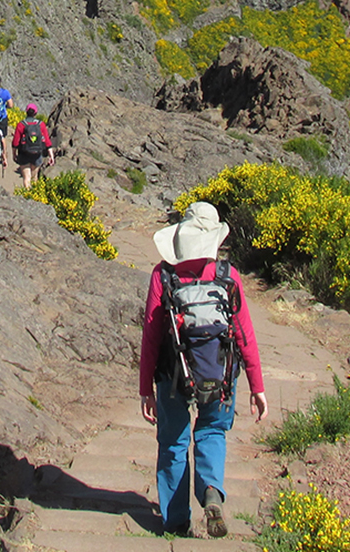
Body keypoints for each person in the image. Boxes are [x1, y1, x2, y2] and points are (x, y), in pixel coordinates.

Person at [139, 201, 267, 539]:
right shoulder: (227, 276)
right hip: (220, 372)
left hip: (172, 374)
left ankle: (176, 520)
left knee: (173, 442)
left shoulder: (163, 275)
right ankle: (211, 491)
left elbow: (151, 337)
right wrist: (257, 385)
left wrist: (144, 389)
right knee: (211, 431)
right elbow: (244, 335)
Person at [11, 103, 53, 187]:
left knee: (27, 178)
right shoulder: (41, 125)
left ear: (26, 112)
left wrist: (14, 154)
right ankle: (34, 196)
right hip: (37, 154)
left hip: (24, 153)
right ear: (35, 113)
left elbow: (15, 142)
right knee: (34, 177)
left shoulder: (21, 125)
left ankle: (27, 197)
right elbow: (47, 141)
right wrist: (51, 155)